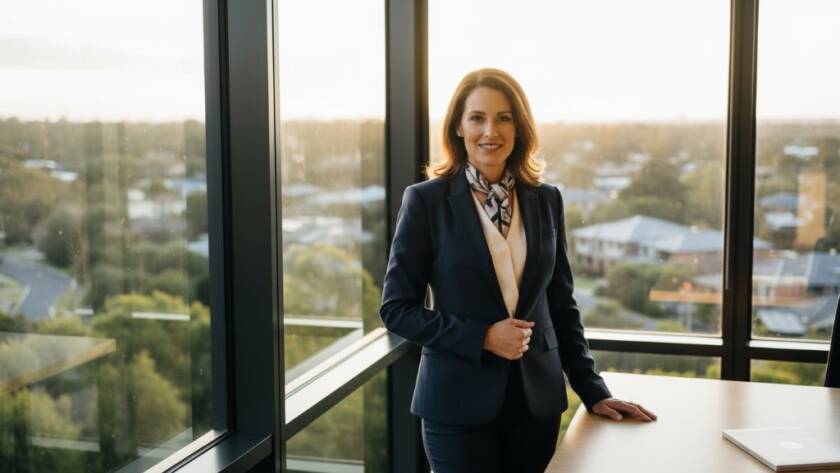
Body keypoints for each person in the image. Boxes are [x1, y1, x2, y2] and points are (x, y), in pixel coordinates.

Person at [379, 68, 657, 473]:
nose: (490, 130)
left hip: (535, 405)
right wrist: (482, 337)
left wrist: (593, 390)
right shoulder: (426, 201)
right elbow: (396, 309)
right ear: (458, 126)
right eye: (477, 118)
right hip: (456, 406)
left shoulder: (546, 200)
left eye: (504, 117)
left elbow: (561, 306)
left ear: (519, 127)